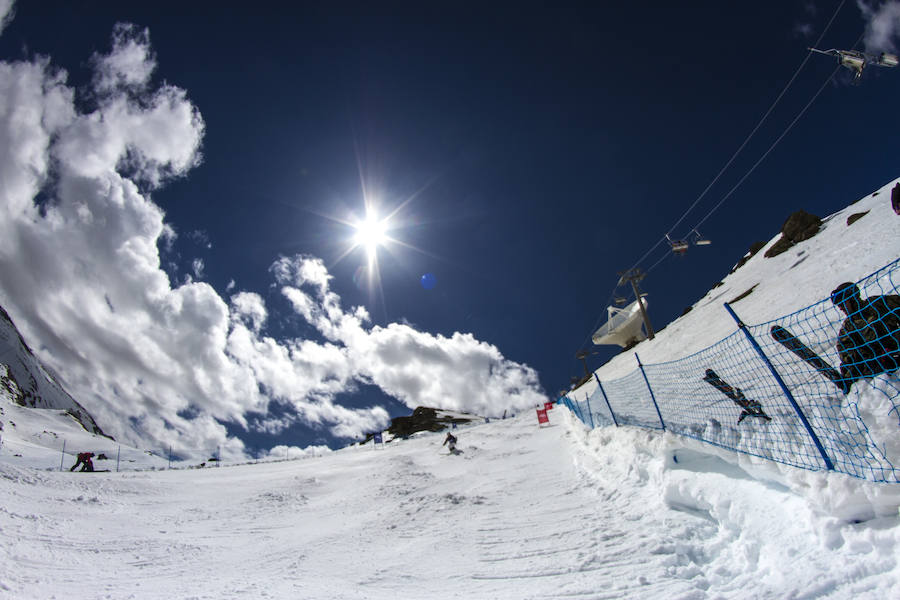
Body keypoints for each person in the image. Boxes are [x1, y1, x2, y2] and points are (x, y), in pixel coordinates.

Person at [831, 282, 900, 387]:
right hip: (884, 371)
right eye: (839, 305)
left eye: (843, 303)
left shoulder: (878, 304)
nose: (840, 308)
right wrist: (848, 379)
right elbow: (849, 360)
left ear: (853, 299)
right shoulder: (848, 329)